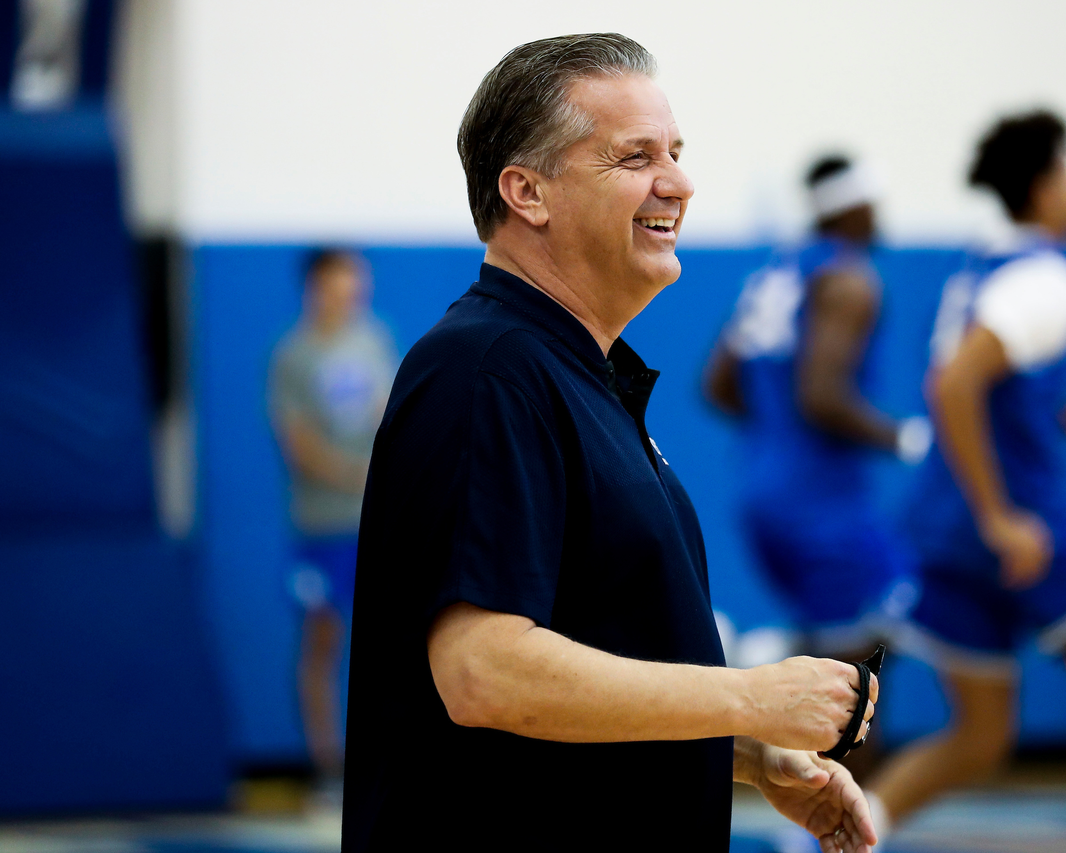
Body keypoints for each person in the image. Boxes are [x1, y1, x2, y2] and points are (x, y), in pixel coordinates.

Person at [340, 34, 879, 853]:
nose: (679, 182)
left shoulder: (577, 374)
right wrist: (747, 696)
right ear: (527, 192)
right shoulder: (485, 370)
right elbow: (485, 671)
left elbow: (589, 665)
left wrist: (748, 753)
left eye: (676, 152)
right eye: (634, 157)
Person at [857, 110, 1066, 852]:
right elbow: (956, 386)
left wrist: (1062, 415)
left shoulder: (978, 269)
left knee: (980, 733)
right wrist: (1001, 515)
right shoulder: (1048, 277)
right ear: (1045, 182)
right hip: (1016, 530)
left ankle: (836, 837)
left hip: (942, 531)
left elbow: (989, 396)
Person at [703, 154, 926, 753]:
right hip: (821, 506)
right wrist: (902, 438)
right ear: (852, 208)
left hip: (762, 494)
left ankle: (783, 654)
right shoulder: (849, 278)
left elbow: (719, 384)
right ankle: (837, 825)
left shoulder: (774, 274)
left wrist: (777, 432)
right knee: (865, 669)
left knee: (854, 645)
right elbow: (822, 396)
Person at [268, 248, 397, 793]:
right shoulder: (293, 357)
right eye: (338, 284)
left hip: (375, 525)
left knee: (390, 640)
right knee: (323, 641)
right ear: (316, 287)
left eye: (355, 284)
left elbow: (389, 416)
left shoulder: (373, 343)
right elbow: (296, 444)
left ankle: (389, 761)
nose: (348, 294)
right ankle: (327, 766)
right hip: (321, 527)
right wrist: (356, 475)